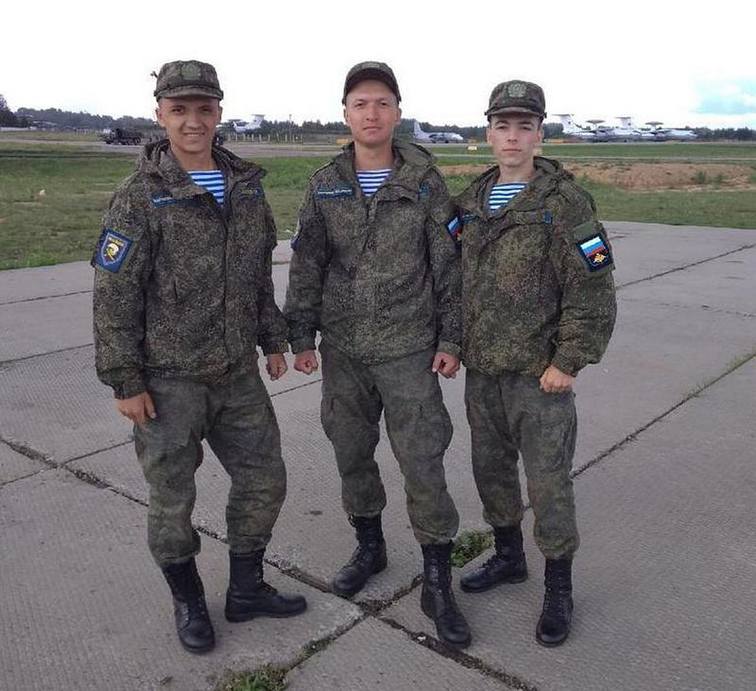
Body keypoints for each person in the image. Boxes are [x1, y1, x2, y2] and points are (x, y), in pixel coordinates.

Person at [92, 60, 306, 654]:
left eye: (203, 109)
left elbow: (256, 271)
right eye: (179, 109)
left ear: (219, 112)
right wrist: (124, 379)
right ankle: (188, 601)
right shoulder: (140, 195)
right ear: (160, 114)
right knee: (172, 498)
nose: (193, 121)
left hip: (237, 373)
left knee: (265, 479)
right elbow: (114, 293)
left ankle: (246, 588)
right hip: (167, 382)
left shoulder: (245, 186)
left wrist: (272, 339)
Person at [283, 61, 470, 648]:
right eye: (361, 103)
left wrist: (451, 340)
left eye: (383, 103)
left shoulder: (426, 182)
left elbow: (448, 265)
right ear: (346, 113)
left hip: (409, 350)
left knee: (423, 462)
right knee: (352, 454)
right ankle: (370, 547)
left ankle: (437, 578)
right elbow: (308, 262)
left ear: (397, 112)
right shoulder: (325, 183)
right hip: (344, 351)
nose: (372, 113)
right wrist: (301, 336)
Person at [455, 80, 617, 647]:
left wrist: (568, 360)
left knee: (548, 484)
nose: (512, 137)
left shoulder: (566, 203)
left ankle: (558, 587)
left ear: (539, 134)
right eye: (502, 126)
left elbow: (593, 290)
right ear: (489, 133)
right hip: (483, 371)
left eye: (524, 126)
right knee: (491, 470)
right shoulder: (472, 201)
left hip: (540, 377)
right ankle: (508, 556)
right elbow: (452, 277)